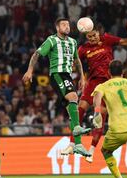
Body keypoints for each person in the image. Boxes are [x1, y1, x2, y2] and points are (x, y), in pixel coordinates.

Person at [61, 19, 127, 163]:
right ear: (86, 37)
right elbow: (74, 64)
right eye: (90, 37)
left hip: (109, 84)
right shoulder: (83, 49)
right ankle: (72, 143)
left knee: (100, 117)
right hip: (93, 82)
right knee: (79, 109)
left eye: (94, 35)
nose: (93, 38)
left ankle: (91, 150)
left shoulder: (107, 39)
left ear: (98, 33)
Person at [23, 18, 91, 156]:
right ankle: (77, 129)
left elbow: (77, 60)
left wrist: (82, 78)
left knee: (72, 110)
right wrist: (30, 70)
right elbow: (37, 54)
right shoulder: (51, 40)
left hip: (68, 75)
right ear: (57, 28)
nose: (67, 27)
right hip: (57, 74)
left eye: (68, 25)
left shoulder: (73, 42)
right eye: (63, 25)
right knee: (73, 97)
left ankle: (77, 144)